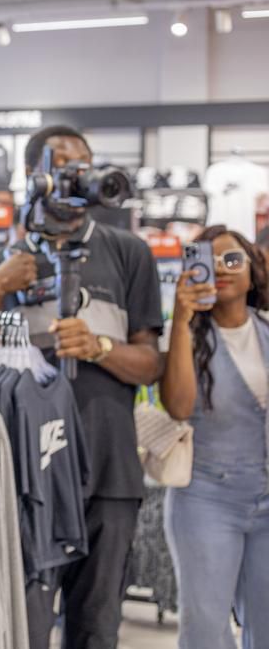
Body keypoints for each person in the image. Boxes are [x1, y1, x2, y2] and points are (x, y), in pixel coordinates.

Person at [0, 126, 164, 649]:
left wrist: (99, 347)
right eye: (65, 166)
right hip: (24, 475)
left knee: (97, 626)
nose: (79, 177)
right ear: (35, 176)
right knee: (22, 625)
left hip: (109, 469)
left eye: (86, 165)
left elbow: (151, 365)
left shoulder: (129, 253)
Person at [160, 226, 269, 649]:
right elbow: (180, 407)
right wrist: (180, 318)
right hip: (206, 500)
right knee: (205, 630)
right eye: (212, 259)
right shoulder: (189, 337)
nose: (222, 268)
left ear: (252, 271)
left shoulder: (265, 331)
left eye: (233, 259)